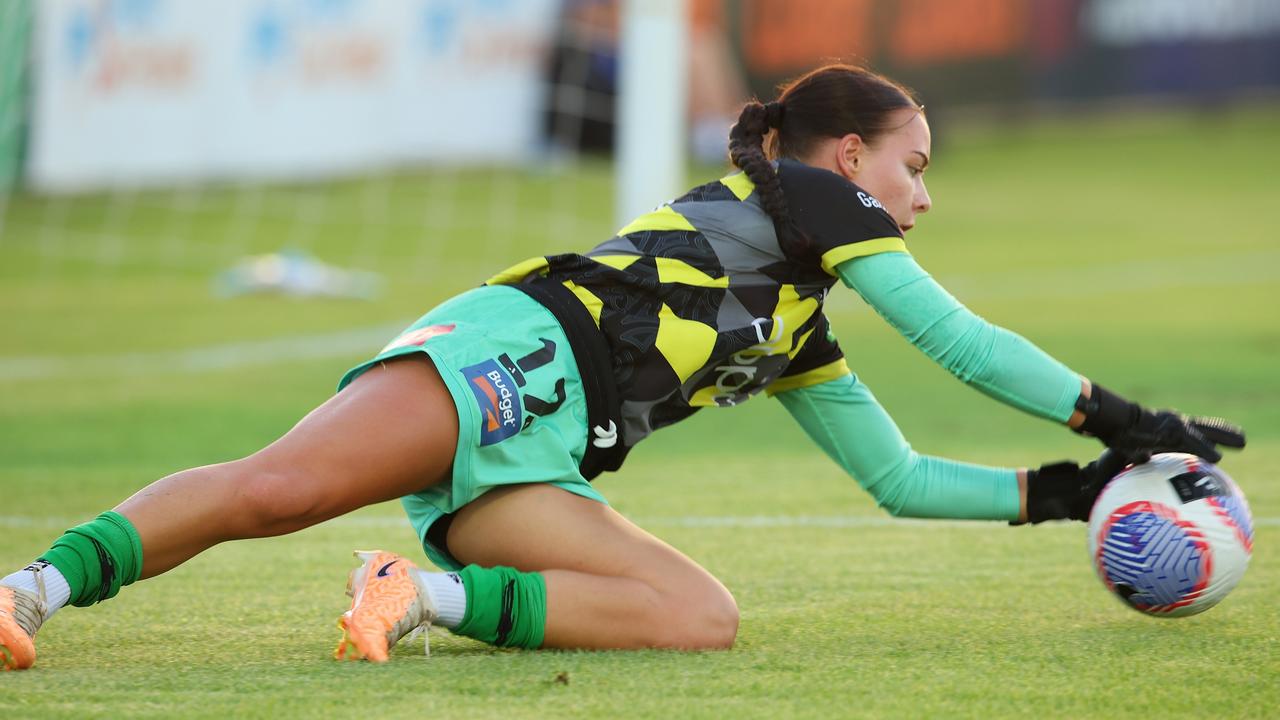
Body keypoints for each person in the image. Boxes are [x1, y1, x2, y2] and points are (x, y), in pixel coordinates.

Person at [0, 64, 1245, 670]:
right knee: (277, 490)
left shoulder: (803, 329)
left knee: (697, 619)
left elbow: (899, 479)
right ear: (852, 156)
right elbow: (956, 342)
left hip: (549, 456)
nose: (921, 198)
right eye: (914, 169)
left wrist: (1066, 493)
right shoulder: (799, 190)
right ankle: (30, 593)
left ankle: (411, 593)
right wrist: (1125, 419)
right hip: (511, 355)